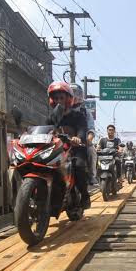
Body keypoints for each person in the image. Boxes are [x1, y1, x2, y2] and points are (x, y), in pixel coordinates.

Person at [46, 81, 91, 209]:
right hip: (56, 150)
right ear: (52, 100)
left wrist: (78, 138)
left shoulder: (78, 116)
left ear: (68, 99)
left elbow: (82, 128)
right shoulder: (51, 118)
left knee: (78, 166)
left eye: (61, 97)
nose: (59, 100)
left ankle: (84, 195)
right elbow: (46, 129)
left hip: (74, 149)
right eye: (56, 98)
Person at [69, 83, 98, 185]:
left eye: (76, 93)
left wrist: (88, 140)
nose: (74, 96)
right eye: (71, 93)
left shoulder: (85, 113)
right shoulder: (60, 110)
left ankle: (92, 176)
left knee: (91, 151)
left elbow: (91, 129)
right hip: (62, 142)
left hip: (81, 142)